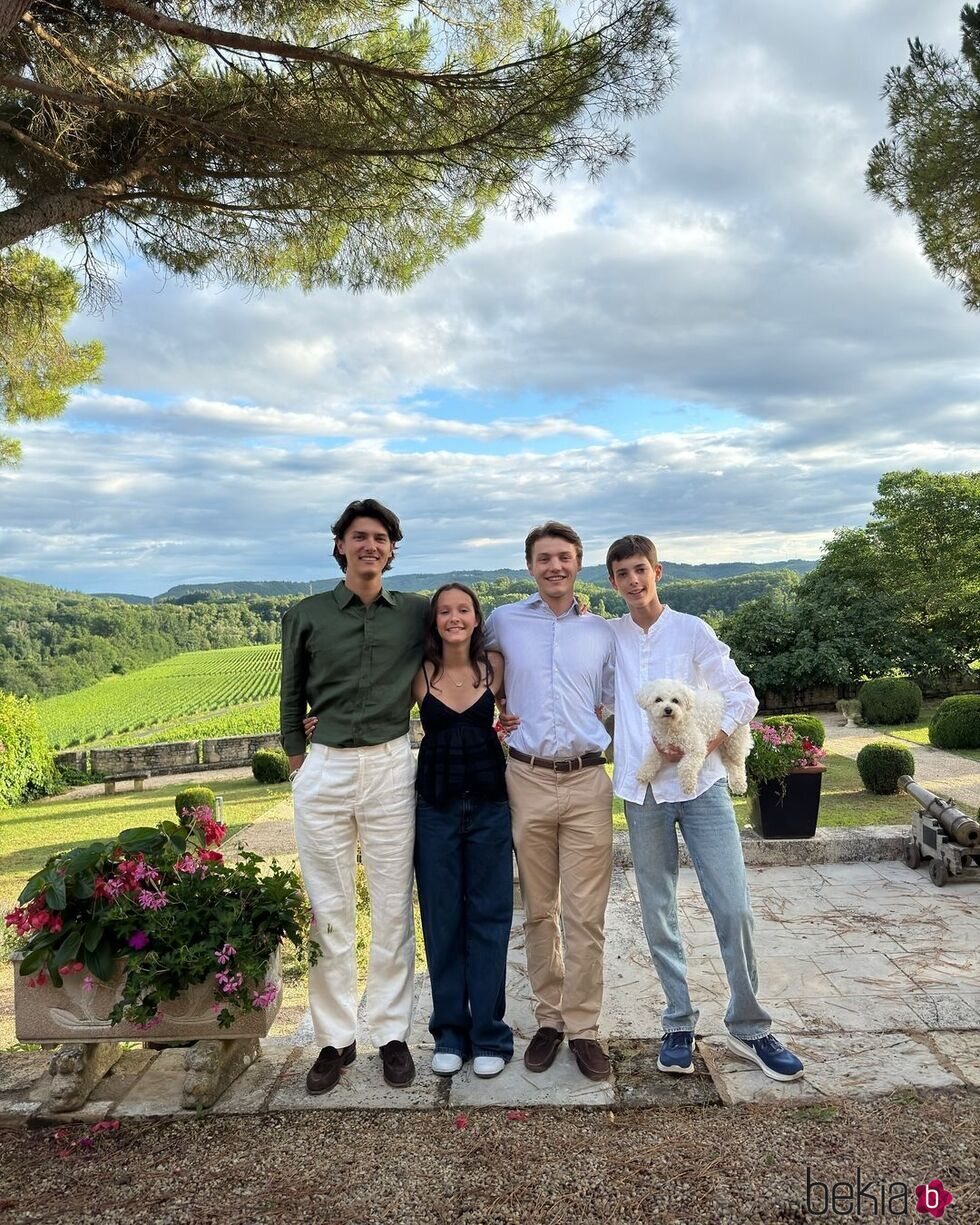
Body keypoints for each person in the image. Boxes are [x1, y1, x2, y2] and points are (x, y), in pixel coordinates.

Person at [605, 533, 805, 1082]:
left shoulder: (692, 630)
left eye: (640, 569)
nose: (633, 580)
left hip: (703, 787)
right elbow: (588, 691)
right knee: (658, 910)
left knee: (733, 904)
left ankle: (750, 1026)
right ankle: (677, 1021)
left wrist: (708, 743)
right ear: (613, 581)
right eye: (622, 573)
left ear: (657, 571)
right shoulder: (609, 636)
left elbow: (742, 694)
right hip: (642, 793)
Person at [280, 498, 428, 1094]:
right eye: (358, 537)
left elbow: (463, 642)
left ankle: (392, 1035)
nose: (370, 546)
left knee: (393, 905)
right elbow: (291, 691)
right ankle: (335, 1040)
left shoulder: (414, 613)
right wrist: (298, 757)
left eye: (381, 538)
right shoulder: (306, 614)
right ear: (340, 544)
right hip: (325, 770)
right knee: (329, 909)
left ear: (392, 550)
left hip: (392, 766)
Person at [485, 522, 616, 1082]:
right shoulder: (503, 622)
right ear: (530, 566)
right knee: (539, 910)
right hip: (527, 778)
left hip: (588, 783)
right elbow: (463, 668)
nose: (554, 566)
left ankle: (584, 1028)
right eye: (544, 558)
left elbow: (614, 704)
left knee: (585, 916)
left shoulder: (602, 633)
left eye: (564, 557)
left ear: (578, 564)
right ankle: (549, 1019)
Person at [412, 583, 514, 1079]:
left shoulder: (495, 666)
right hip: (435, 808)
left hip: (492, 806)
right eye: (444, 611)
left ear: (477, 618)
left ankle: (490, 1033)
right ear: (434, 620)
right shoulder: (419, 672)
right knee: (442, 918)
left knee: (491, 916)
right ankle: (450, 1031)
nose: (454, 617)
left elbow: (522, 709)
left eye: (464, 610)